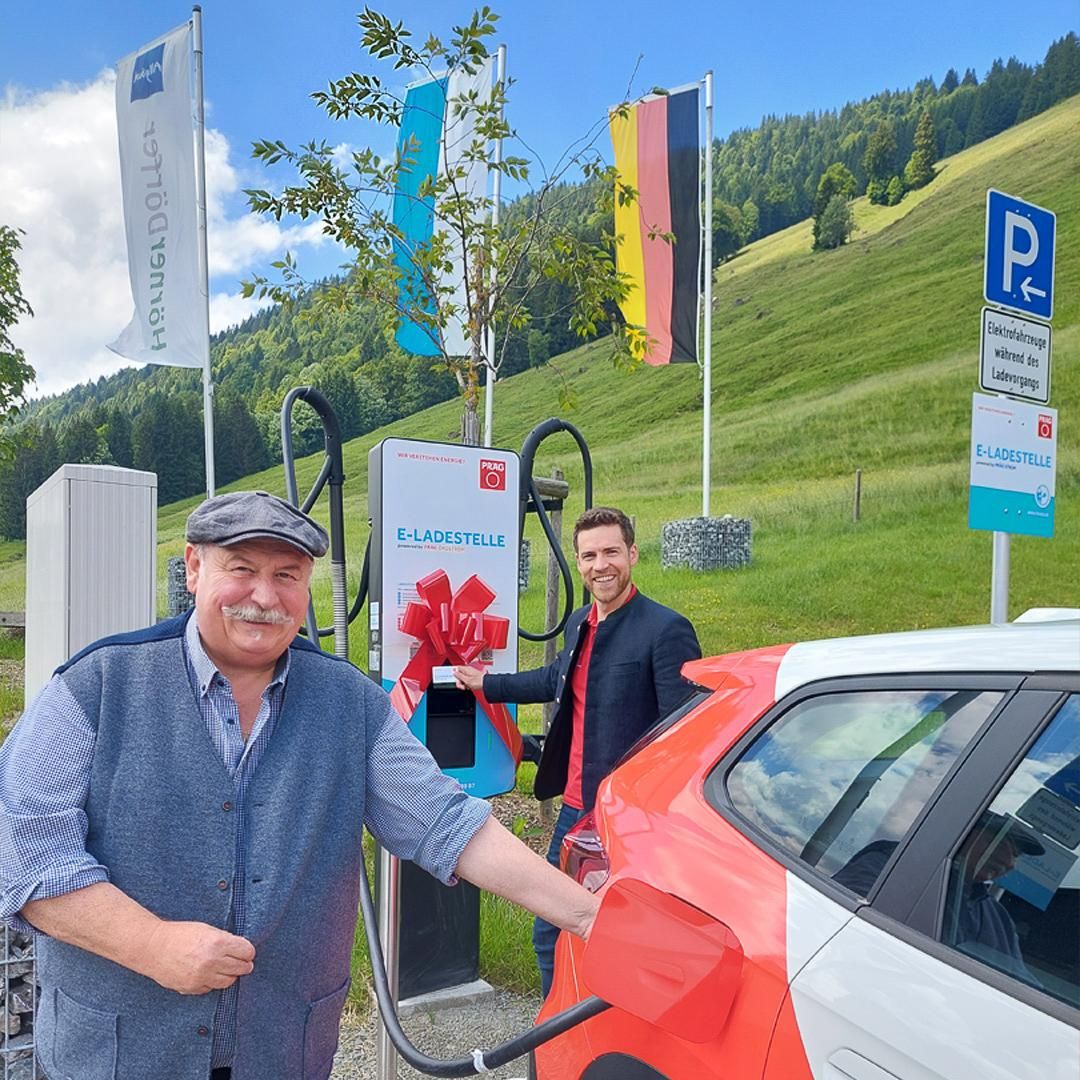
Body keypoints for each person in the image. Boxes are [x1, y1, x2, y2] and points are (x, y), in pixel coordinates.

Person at [0, 491, 598, 1080]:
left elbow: (447, 824)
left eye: (286, 575)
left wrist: (591, 917)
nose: (265, 597)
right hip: (118, 1054)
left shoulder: (349, 702)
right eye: (242, 569)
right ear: (193, 567)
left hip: (284, 1047)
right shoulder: (97, 685)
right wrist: (152, 945)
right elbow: (25, 858)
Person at [453, 506, 700, 996]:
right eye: (589, 556)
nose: (600, 565)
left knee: (617, 934)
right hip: (572, 811)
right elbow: (556, 679)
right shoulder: (579, 623)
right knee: (550, 932)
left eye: (611, 552)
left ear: (632, 553)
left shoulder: (665, 629)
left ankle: (608, 1020)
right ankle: (560, 1024)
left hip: (624, 818)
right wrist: (487, 684)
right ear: (578, 563)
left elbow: (682, 734)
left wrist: (649, 815)